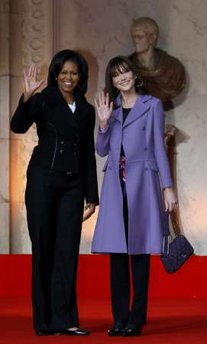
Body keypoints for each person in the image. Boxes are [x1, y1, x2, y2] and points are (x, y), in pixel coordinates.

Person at [10, 49, 99, 336]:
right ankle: (44, 322)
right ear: (56, 75)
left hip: (73, 186)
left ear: (80, 76)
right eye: (63, 72)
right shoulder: (44, 100)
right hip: (43, 182)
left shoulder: (87, 110)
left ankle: (66, 320)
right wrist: (26, 97)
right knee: (44, 249)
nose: (68, 77)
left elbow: (87, 153)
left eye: (74, 73)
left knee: (67, 252)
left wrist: (92, 195)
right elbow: (17, 126)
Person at [92, 56, 177, 336]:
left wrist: (168, 187)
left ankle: (136, 319)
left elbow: (157, 147)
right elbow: (102, 150)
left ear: (134, 74)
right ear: (112, 81)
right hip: (115, 187)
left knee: (139, 253)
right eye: (115, 75)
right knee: (117, 253)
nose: (122, 78)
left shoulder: (151, 105)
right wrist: (103, 124)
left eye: (125, 71)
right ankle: (119, 319)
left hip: (143, 184)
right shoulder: (110, 109)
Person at [129, 17, 186, 110]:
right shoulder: (126, 67)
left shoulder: (173, 68)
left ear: (152, 38)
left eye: (139, 37)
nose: (135, 41)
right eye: (133, 37)